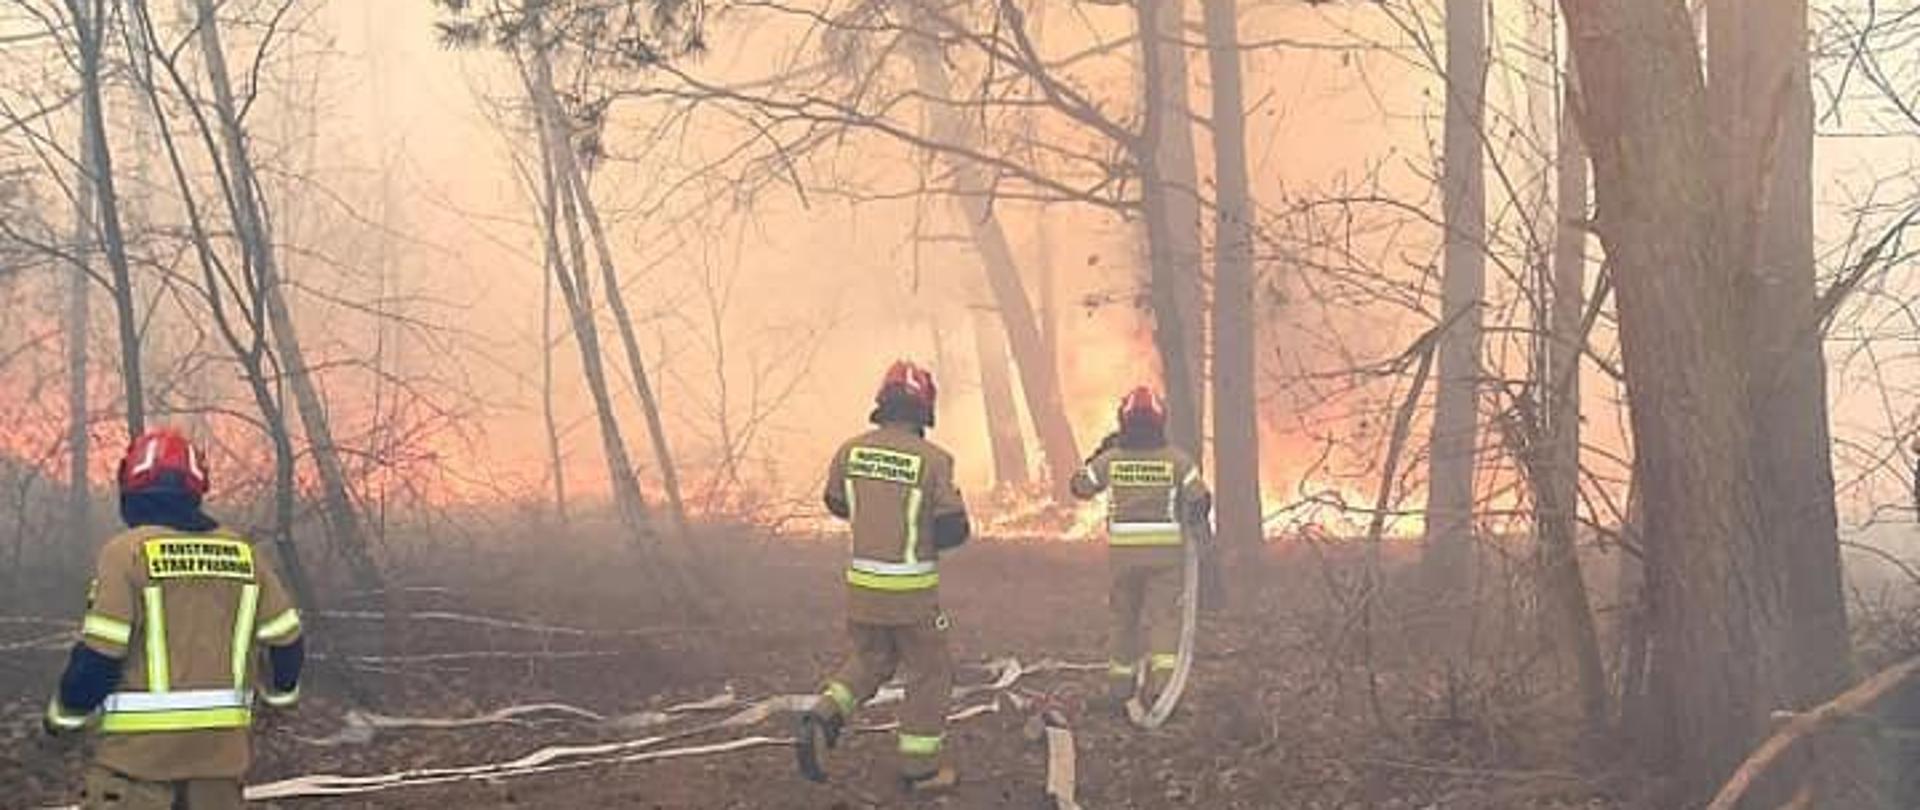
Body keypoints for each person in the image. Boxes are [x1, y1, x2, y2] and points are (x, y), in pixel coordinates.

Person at [44, 428, 305, 810]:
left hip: (135, 770)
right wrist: (279, 702)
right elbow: (288, 644)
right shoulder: (245, 556)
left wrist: (60, 721)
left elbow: (98, 659)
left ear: (130, 489)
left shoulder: (126, 553)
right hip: (218, 773)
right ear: (196, 490)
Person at [796, 360, 971, 793]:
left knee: (872, 659)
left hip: (862, 591)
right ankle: (921, 769)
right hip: (912, 597)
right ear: (924, 409)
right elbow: (952, 531)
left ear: (883, 403)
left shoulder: (850, 452)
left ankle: (825, 713)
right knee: (932, 670)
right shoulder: (934, 460)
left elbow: (837, 503)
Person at [1071, 386, 1211, 710]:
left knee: (1124, 620)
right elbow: (1200, 500)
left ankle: (1121, 688)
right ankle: (1163, 691)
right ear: (1161, 422)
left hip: (1123, 559)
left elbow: (1080, 486)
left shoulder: (1112, 461)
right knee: (1163, 620)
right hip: (1166, 559)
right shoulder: (1178, 461)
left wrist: (1100, 453)